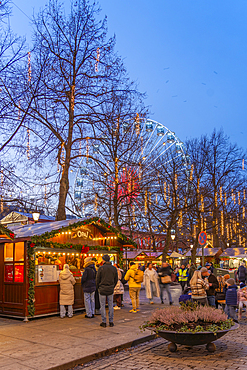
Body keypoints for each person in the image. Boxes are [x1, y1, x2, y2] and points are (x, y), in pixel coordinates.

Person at [96, 254, 118, 327]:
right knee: (110, 305)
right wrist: (112, 286)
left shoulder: (101, 268)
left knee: (102, 305)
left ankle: (104, 321)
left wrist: (98, 287)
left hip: (102, 289)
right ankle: (111, 321)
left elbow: (97, 279)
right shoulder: (113, 268)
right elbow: (116, 279)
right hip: (110, 288)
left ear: (103, 260)